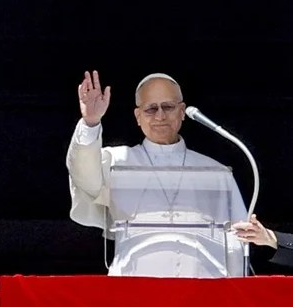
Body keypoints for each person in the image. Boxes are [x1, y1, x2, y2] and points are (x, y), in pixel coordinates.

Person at [65, 70, 247, 277]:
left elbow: (235, 241)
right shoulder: (117, 161)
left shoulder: (216, 172)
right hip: (134, 288)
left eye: (168, 107)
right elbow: (84, 176)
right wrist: (91, 122)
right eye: (151, 109)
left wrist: (235, 292)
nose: (160, 116)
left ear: (182, 111)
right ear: (138, 116)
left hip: (203, 292)